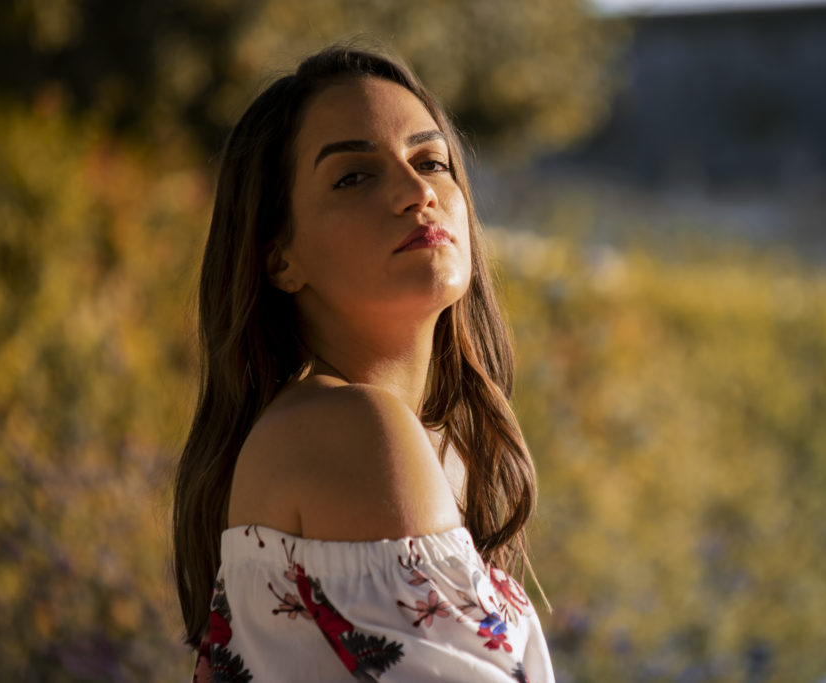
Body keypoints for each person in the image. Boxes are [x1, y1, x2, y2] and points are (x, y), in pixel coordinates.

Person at [172, 45, 554, 682]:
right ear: (279, 259)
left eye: (431, 161)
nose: (416, 192)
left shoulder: (408, 440)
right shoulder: (351, 429)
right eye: (354, 176)